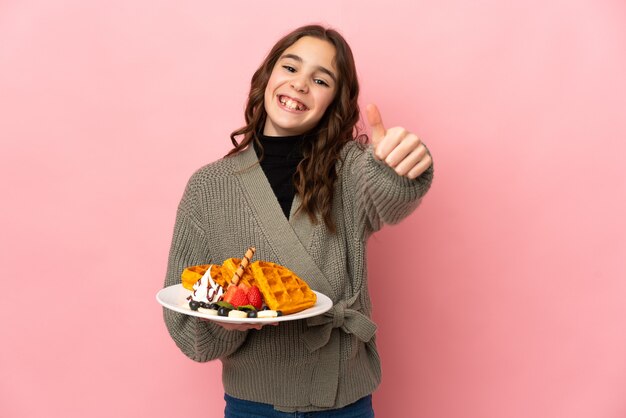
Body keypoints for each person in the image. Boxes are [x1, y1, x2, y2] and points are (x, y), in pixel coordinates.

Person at [163, 24, 434, 417]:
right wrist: (226, 323)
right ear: (267, 76)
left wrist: (402, 166)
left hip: (346, 401)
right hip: (254, 406)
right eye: (290, 68)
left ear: (334, 102)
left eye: (320, 79)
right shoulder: (208, 188)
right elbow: (185, 320)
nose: (301, 84)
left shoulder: (353, 169)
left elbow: (388, 196)